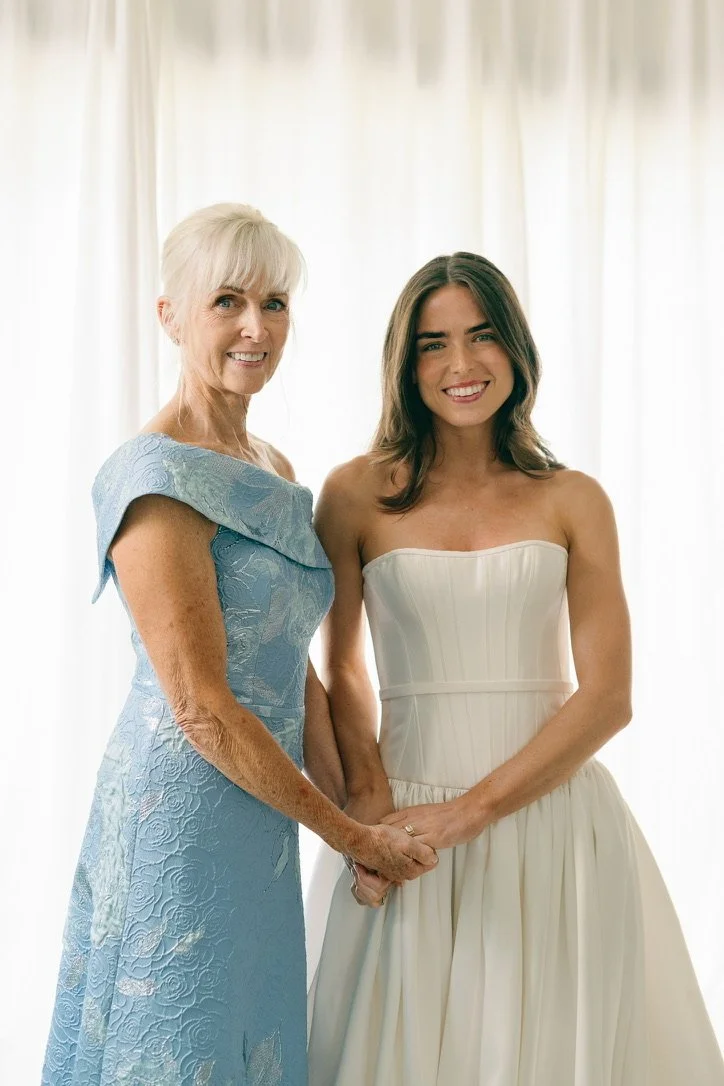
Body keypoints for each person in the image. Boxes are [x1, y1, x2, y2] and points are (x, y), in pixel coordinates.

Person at [41, 203, 437, 1086]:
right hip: (180, 813)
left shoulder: (273, 470)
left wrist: (363, 821)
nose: (257, 327)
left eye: (276, 301)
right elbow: (202, 706)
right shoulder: (153, 476)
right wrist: (349, 837)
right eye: (227, 300)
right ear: (171, 314)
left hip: (265, 817)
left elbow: (290, 668)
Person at [306, 252, 724, 1085]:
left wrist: (473, 812)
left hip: (554, 826)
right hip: (406, 827)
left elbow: (608, 696)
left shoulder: (574, 498)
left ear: (516, 350)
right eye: (433, 344)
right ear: (405, 361)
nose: (460, 365)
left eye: (482, 336)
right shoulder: (354, 493)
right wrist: (369, 800)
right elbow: (341, 668)